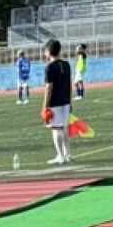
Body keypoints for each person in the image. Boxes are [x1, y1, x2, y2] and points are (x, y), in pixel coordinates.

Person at [43, 38, 74, 166]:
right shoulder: (66, 65)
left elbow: (49, 87)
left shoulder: (49, 67)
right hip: (66, 101)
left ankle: (60, 155)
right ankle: (67, 154)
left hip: (55, 102)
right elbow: (69, 84)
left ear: (48, 52)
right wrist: (70, 101)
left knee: (56, 129)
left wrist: (45, 105)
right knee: (64, 128)